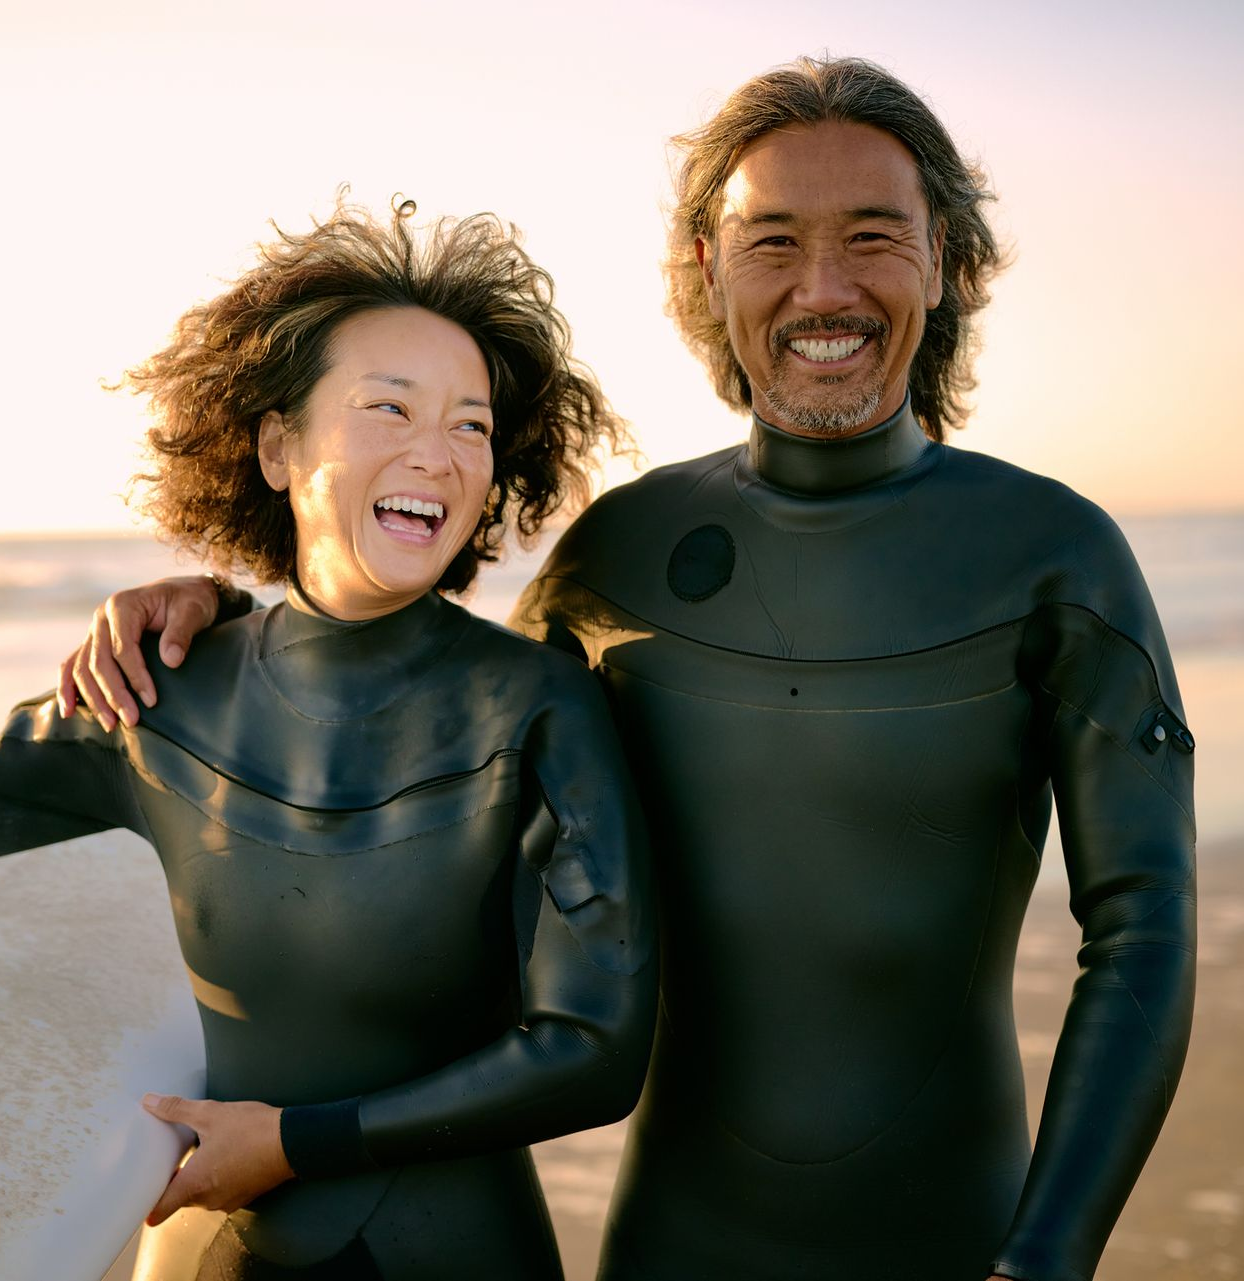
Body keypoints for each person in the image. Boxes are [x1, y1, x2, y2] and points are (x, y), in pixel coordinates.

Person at [57, 58, 1196, 1281]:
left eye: (874, 235)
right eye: (770, 241)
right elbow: (413, 704)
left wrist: (1048, 1256)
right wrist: (227, 623)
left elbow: (1139, 926)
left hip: (964, 1244)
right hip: (668, 1250)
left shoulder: (1051, 559)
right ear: (706, 269)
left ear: (945, 263)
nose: (823, 287)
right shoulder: (621, 557)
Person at [0, 200, 656, 1279]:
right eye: (386, 408)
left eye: (470, 425)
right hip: (208, 1245)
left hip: (457, 1251)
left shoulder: (537, 706)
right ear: (274, 445)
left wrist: (294, 1143)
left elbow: (595, 1054)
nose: (436, 455)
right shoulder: (155, 686)